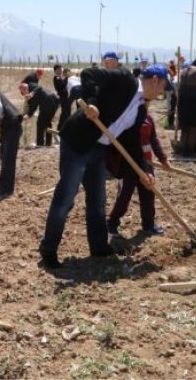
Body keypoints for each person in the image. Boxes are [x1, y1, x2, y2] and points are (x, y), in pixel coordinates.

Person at [38, 64, 172, 268]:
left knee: (98, 199)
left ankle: (99, 247)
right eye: (162, 87)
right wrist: (92, 102)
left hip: (98, 150)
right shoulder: (124, 79)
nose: (162, 93)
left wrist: (144, 170)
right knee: (66, 197)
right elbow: (89, 74)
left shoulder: (140, 111)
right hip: (77, 142)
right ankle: (48, 251)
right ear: (155, 80)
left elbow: (132, 143)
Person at [107, 104, 171, 237]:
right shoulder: (126, 121)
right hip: (128, 165)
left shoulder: (148, 119)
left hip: (147, 165)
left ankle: (148, 224)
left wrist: (163, 158)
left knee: (148, 194)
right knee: (124, 196)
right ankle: (112, 223)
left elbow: (154, 140)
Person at [20, 82, 59, 146]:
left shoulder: (31, 85)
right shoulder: (31, 97)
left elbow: (39, 87)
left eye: (23, 93)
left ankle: (40, 144)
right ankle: (48, 143)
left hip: (49, 100)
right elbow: (33, 108)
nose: (24, 95)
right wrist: (27, 116)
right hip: (53, 101)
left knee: (40, 123)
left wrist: (31, 94)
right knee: (47, 122)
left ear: (24, 89)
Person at [53, 64, 70, 130]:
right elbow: (62, 86)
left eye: (61, 69)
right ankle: (60, 127)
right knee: (65, 113)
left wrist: (65, 77)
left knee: (67, 112)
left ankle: (63, 127)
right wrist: (66, 77)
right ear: (56, 70)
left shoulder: (59, 77)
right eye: (59, 69)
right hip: (62, 97)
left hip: (64, 97)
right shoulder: (57, 78)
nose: (61, 70)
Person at [165, 60, 179, 129]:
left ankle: (177, 124)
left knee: (175, 109)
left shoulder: (176, 77)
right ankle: (170, 124)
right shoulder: (169, 76)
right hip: (171, 93)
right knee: (171, 108)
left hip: (175, 94)